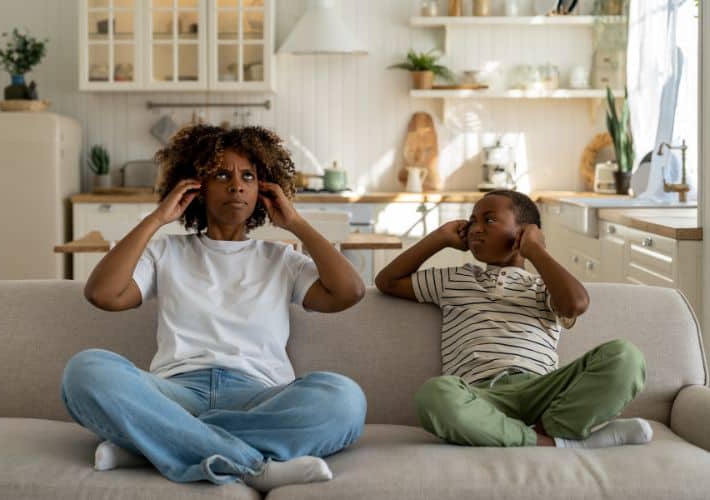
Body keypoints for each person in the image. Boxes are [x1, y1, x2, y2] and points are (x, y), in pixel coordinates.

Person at [60, 125, 367, 491]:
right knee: (86, 370)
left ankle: (153, 444)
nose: (236, 185)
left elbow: (350, 292)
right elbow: (103, 294)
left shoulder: (281, 259)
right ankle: (252, 465)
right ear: (196, 189)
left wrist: (296, 223)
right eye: (222, 174)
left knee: (344, 399)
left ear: (263, 191)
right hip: (174, 395)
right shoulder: (166, 252)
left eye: (248, 176)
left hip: (258, 396)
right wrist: (156, 218)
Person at [375, 190, 652, 449]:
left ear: (524, 233)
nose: (476, 227)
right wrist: (439, 237)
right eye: (472, 221)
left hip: (542, 393)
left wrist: (536, 251)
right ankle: (553, 442)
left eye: (490, 219)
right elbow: (387, 281)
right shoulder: (455, 279)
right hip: (480, 397)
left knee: (626, 356)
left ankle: (546, 429)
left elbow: (576, 304)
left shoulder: (544, 286)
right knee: (434, 394)